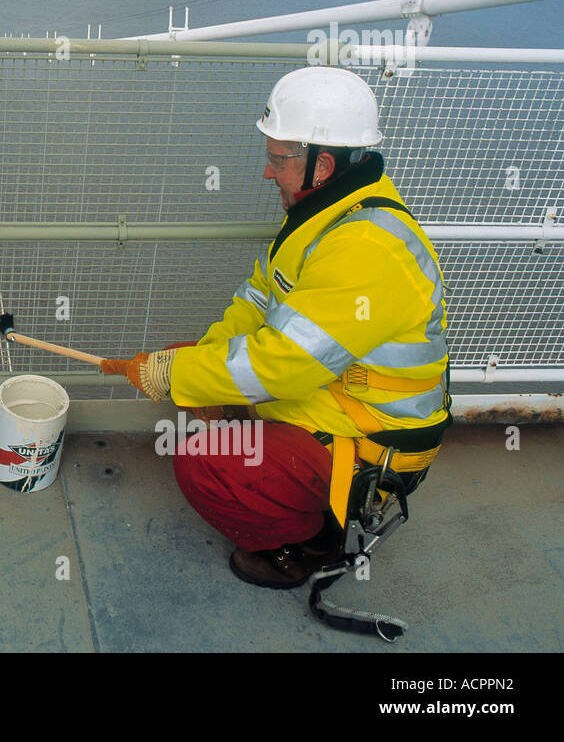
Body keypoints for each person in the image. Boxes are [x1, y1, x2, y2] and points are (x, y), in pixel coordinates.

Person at [101, 66, 451, 589]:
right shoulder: (322, 218)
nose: (268, 173)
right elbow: (255, 302)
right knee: (187, 358)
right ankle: (269, 466)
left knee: (204, 461)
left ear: (322, 164)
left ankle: (309, 543)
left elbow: (280, 366)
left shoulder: (364, 251)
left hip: (368, 440)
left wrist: (179, 377)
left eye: (276, 158)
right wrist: (185, 363)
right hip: (328, 396)